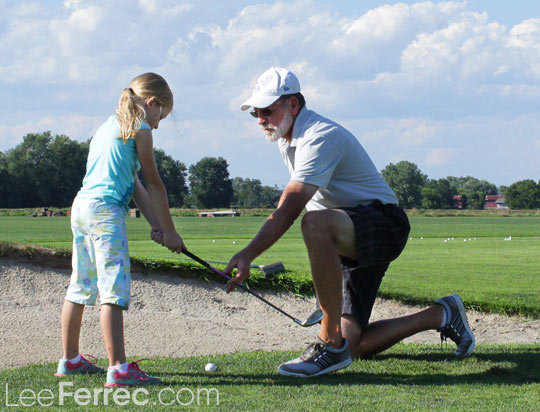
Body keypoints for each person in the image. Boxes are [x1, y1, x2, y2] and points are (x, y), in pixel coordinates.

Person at [225, 67, 475, 378]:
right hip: (345, 233)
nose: (261, 119)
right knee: (354, 346)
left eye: (267, 111)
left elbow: (290, 207)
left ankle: (328, 345)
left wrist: (248, 254)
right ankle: (442, 313)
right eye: (256, 114)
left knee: (313, 223)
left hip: (382, 224)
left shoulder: (319, 136)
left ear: (292, 104)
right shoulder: (286, 136)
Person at [55, 73, 185, 387]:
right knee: (113, 289)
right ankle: (119, 369)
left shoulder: (108, 127)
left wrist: (157, 226)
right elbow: (155, 184)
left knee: (80, 285)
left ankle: (70, 361)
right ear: (151, 104)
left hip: (82, 208)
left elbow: (136, 184)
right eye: (161, 116)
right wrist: (171, 231)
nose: (157, 124)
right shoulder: (140, 129)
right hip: (105, 213)